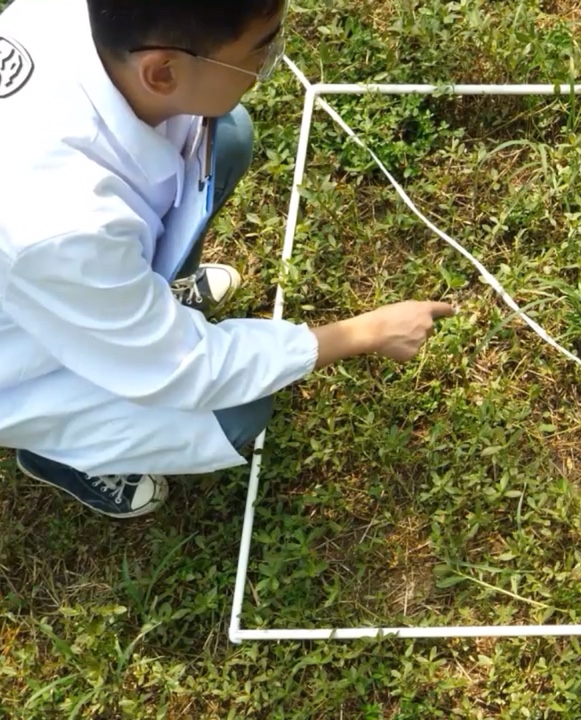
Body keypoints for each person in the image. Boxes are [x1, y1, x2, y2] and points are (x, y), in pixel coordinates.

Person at [0, 0, 455, 519]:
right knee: (235, 411)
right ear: (163, 71)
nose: (264, 71)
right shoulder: (61, 226)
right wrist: (366, 333)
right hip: (19, 364)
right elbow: (192, 371)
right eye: (260, 54)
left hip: (63, 284)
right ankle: (58, 453)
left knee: (226, 135)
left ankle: (142, 305)